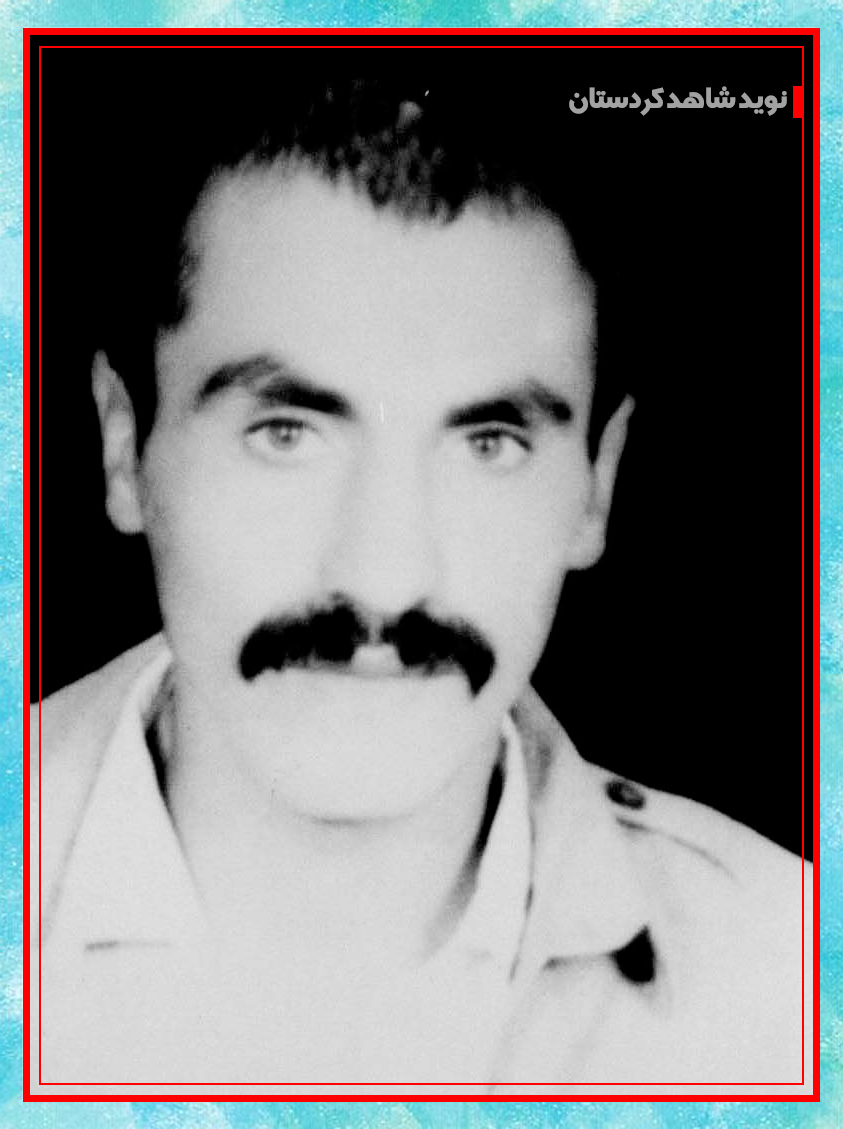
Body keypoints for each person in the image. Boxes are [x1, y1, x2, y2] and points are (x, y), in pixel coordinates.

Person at [30, 75, 810, 1095]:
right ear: (123, 446)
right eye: (286, 434)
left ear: (597, 484)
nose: (384, 577)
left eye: (488, 444)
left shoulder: (787, 982)